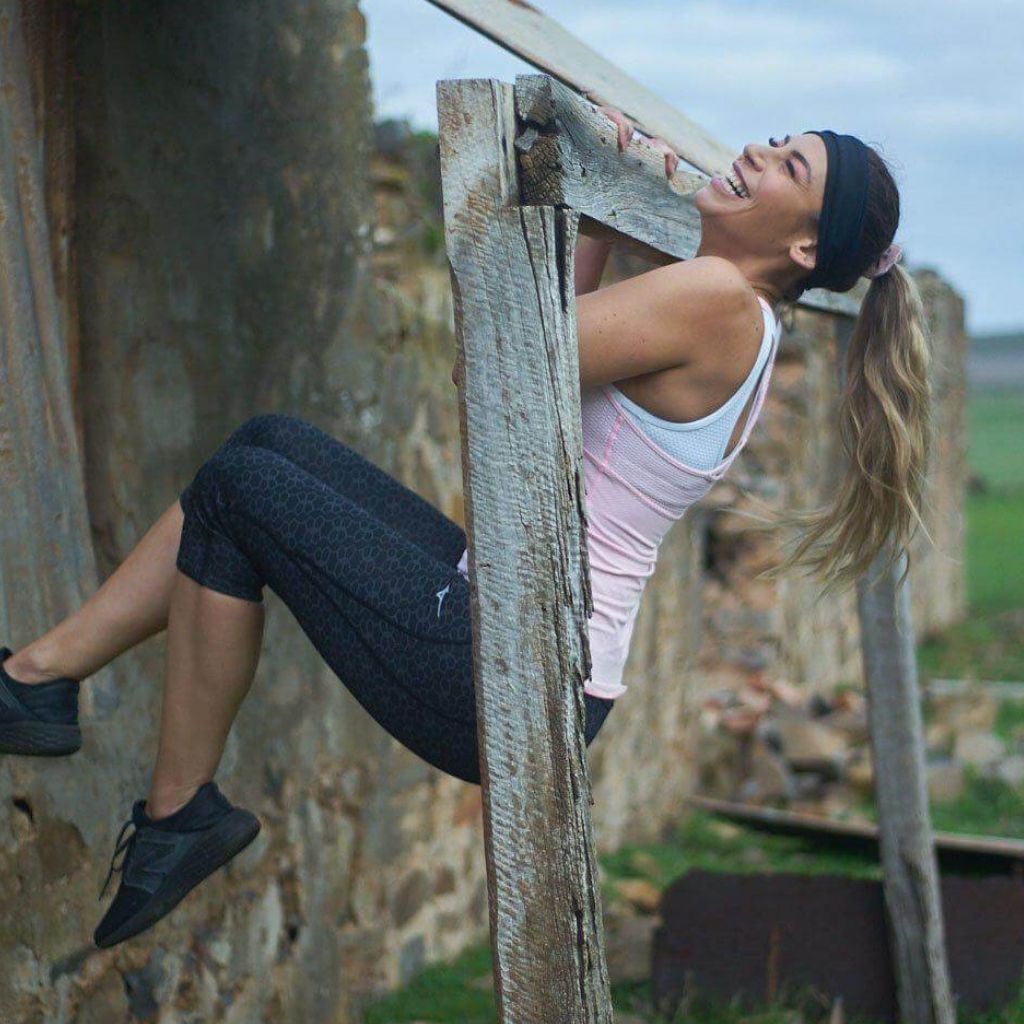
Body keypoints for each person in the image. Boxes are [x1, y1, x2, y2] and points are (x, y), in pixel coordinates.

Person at [0, 102, 929, 949]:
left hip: (509, 668)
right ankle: (37, 682)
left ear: (804, 246)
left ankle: (175, 813)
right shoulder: (744, 320)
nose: (759, 151)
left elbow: (496, 359)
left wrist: (593, 213)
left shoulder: (717, 297)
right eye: (780, 140)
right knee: (267, 446)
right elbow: (544, 365)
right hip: (532, 645)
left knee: (243, 488)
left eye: (790, 168)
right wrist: (594, 222)